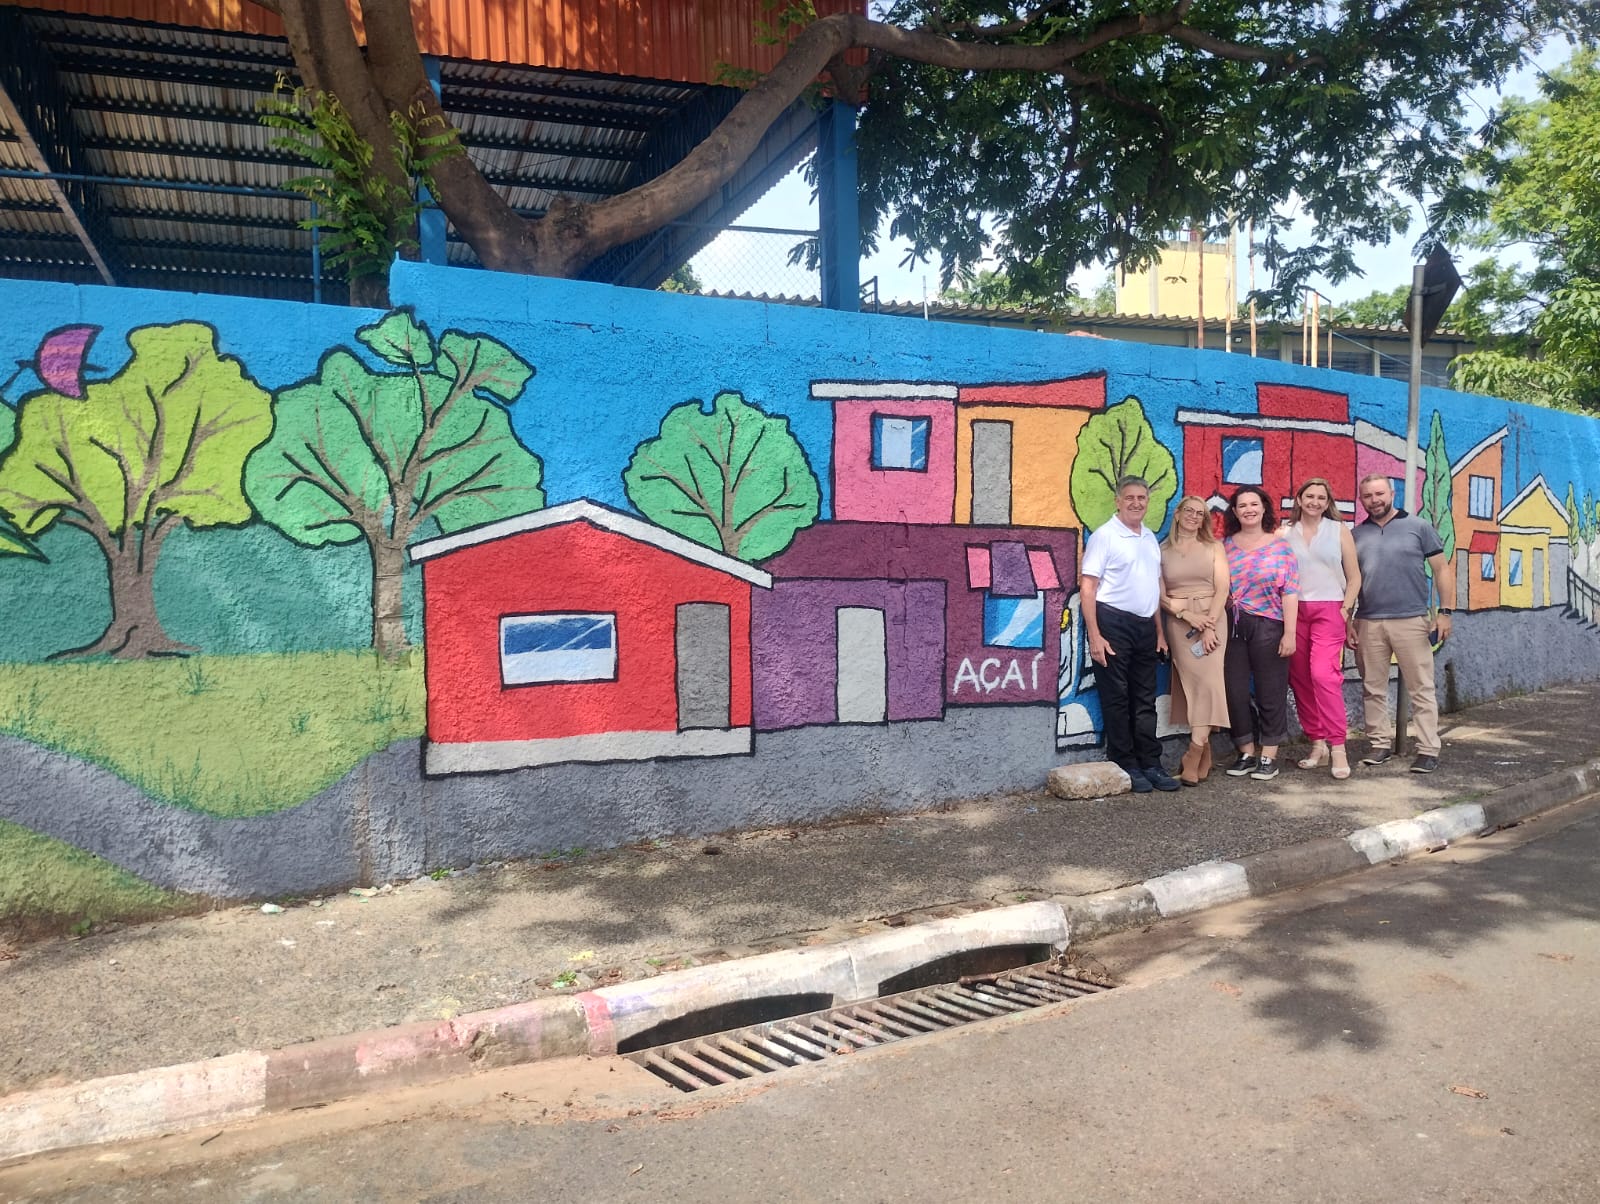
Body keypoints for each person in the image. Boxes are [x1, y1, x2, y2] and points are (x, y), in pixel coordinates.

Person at [1080, 476, 1181, 793]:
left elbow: (1151, 587)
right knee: (1117, 698)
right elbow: (1088, 589)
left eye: (1142, 497)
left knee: (1144, 700)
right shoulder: (1105, 537)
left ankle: (1151, 763)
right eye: (1130, 498)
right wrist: (1095, 636)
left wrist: (1160, 633)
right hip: (1112, 624)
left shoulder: (1149, 537)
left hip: (1144, 628)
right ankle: (1126, 764)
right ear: (1118, 501)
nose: (1136, 503)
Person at [1349, 473, 1455, 773]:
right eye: (1368, 496)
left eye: (1379, 493)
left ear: (1392, 493)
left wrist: (1444, 612)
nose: (1374, 500)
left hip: (1411, 619)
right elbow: (1350, 582)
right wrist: (1348, 622)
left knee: (1421, 687)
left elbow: (1442, 570)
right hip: (1368, 621)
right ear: (1362, 499)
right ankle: (1379, 744)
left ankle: (1427, 748)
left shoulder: (1418, 527)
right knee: (1372, 687)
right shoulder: (1356, 536)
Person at [1283, 478, 1362, 780]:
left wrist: (1346, 609)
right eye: (1309, 496)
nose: (1315, 502)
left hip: (1331, 609)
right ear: (1299, 500)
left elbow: (1354, 577)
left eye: (1321, 497)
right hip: (1294, 609)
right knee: (1300, 678)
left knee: (1323, 675)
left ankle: (1338, 746)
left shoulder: (1339, 531)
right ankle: (1317, 743)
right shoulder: (1284, 533)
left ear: (1328, 502)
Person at [1221, 485, 1299, 781]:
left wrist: (1289, 633)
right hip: (1232, 625)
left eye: (1254, 504)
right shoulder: (1224, 545)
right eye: (1242, 505)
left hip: (1270, 625)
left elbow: (1290, 591)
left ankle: (1268, 756)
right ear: (1235, 511)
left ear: (1264, 508)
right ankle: (1246, 751)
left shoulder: (1280, 547)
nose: (1249, 510)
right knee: (1235, 690)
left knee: (1271, 691)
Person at [1159, 495, 1230, 786]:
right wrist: (1187, 615)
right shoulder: (1161, 550)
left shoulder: (1214, 547)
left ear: (1204, 520)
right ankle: (1205, 752)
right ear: (1177, 514)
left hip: (1213, 621)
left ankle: (1193, 752)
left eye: (1199, 514)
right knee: (1195, 686)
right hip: (1180, 623)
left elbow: (1223, 588)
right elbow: (1160, 596)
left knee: (1210, 684)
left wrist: (1209, 625)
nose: (1193, 516)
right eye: (1188, 511)